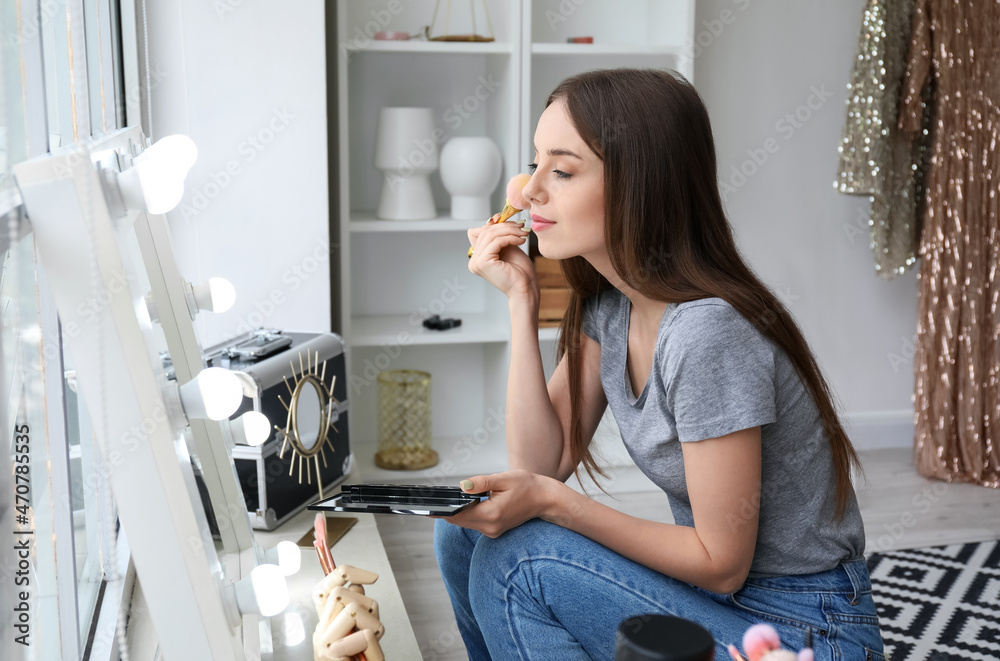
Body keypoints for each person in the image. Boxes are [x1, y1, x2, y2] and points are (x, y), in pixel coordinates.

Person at [433, 68, 886, 661]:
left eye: (562, 170)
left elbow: (721, 564)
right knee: (462, 531)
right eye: (535, 161)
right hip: (717, 600)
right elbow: (542, 463)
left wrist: (554, 505)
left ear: (638, 187)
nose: (526, 191)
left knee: (521, 561)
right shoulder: (610, 305)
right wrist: (522, 301)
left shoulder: (706, 334)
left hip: (800, 627)